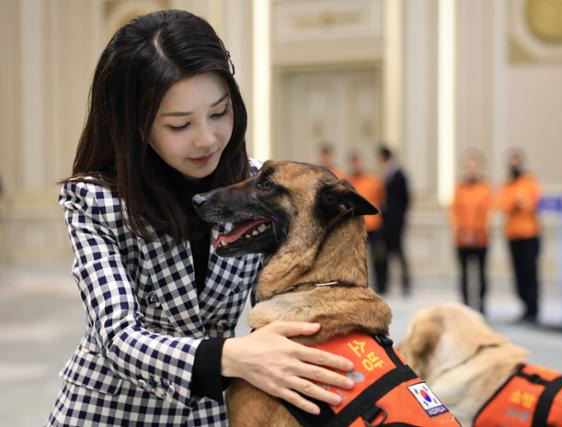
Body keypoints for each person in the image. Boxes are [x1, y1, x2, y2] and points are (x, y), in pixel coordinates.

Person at [47, 10, 354, 425]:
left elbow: (302, 291)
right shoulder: (96, 198)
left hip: (211, 415)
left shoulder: (260, 187)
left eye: (219, 112)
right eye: (179, 124)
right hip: (110, 413)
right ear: (135, 126)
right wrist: (230, 355)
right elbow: (116, 337)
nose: (207, 138)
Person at [497, 149, 542, 324]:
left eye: (517, 161)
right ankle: (524, 306)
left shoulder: (529, 182)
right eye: (511, 161)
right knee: (518, 274)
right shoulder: (507, 185)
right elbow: (503, 205)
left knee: (530, 272)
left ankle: (533, 309)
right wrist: (517, 202)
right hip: (513, 235)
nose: (514, 164)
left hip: (530, 234)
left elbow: (530, 203)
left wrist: (519, 203)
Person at [450, 152, 492, 314]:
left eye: (474, 166)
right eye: (469, 166)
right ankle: (465, 306)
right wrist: (463, 231)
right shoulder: (459, 189)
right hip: (462, 239)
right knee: (464, 275)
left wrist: (477, 231)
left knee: (481, 274)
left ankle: (481, 306)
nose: (471, 170)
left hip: (481, 239)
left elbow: (486, 212)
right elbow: (455, 212)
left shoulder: (485, 189)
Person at [347, 152, 387, 294]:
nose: (356, 165)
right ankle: (360, 285)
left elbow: (382, 199)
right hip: (357, 226)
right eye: (354, 163)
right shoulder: (349, 182)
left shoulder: (373, 180)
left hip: (374, 225)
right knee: (358, 258)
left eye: (358, 162)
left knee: (379, 256)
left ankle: (382, 286)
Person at [377, 146, 411, 295]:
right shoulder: (384, 174)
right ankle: (385, 284)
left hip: (396, 221)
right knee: (385, 253)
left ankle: (405, 283)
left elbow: (405, 199)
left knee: (399, 252)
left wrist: (403, 217)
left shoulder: (399, 174)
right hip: (385, 220)